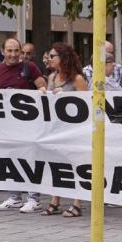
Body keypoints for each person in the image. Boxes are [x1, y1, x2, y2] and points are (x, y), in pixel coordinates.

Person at [35, 43, 89, 217]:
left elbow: (85, 104)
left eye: (52, 56)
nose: (49, 59)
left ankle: (77, 203)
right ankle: (55, 201)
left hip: (73, 130)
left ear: (63, 58)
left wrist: (66, 97)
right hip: (56, 128)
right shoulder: (52, 77)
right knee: (56, 164)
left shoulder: (77, 79)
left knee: (75, 165)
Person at [0, 38, 42, 210]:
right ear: (3, 52)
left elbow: (42, 85)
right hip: (7, 125)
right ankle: (15, 196)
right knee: (11, 158)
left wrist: (40, 92)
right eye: (9, 51)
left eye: (16, 51)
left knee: (30, 159)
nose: (13, 55)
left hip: (28, 123)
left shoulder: (29, 67)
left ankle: (33, 198)